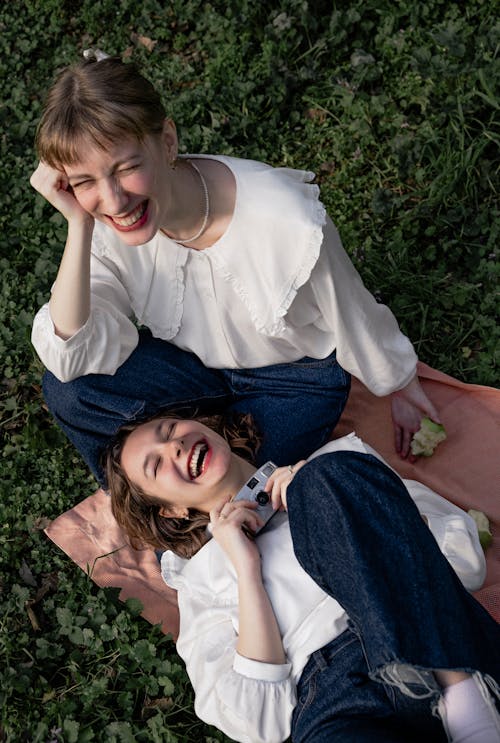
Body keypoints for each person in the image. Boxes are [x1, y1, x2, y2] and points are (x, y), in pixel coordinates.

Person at [30, 52, 439, 485]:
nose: (113, 201)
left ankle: (168, 502)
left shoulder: (286, 221)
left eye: (127, 168)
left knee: (228, 491)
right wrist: (78, 224)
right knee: (67, 390)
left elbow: (351, 308)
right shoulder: (104, 223)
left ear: (167, 141)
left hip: (294, 384)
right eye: (85, 182)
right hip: (195, 370)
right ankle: (141, 502)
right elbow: (71, 352)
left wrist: (400, 384)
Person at [105, 411, 500, 743]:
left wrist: (329, 500)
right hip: (335, 700)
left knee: (326, 477)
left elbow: (465, 563)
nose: (173, 446)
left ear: (206, 427)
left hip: (424, 638)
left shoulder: (339, 466)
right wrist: (246, 570)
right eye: (156, 465)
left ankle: (466, 699)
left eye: (171, 430)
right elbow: (257, 720)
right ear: (171, 511)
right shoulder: (199, 584)